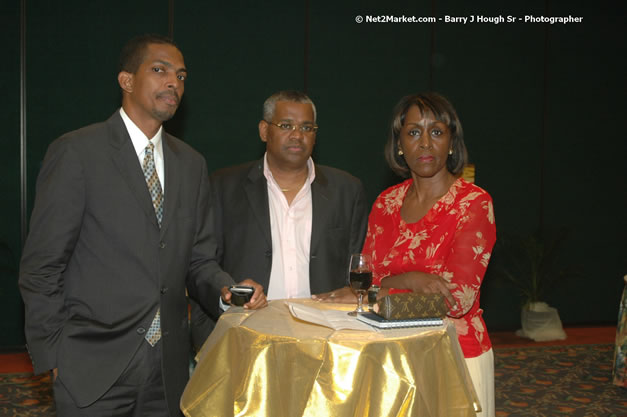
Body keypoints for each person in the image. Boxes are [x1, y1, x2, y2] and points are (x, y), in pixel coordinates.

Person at [18, 34, 267, 417]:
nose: (174, 83)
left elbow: (198, 259)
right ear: (126, 80)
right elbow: (41, 265)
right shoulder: (78, 152)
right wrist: (54, 356)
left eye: (181, 76)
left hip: (167, 371)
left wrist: (227, 290)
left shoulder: (191, 164)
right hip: (91, 366)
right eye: (159, 70)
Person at [317, 92, 497, 416]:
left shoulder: (474, 204)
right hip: (387, 356)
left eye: (437, 132)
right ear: (399, 145)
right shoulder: (385, 203)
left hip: (453, 355)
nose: (425, 143)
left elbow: (454, 300)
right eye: (414, 132)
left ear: (452, 142)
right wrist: (411, 280)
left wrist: (380, 290)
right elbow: (367, 280)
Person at [189, 90, 369, 350]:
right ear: (264, 131)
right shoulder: (223, 187)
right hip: (245, 340)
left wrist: (354, 292)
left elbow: (360, 264)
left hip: (327, 343)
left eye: (307, 127)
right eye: (286, 125)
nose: (297, 135)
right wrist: (229, 290)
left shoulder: (347, 191)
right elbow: (200, 262)